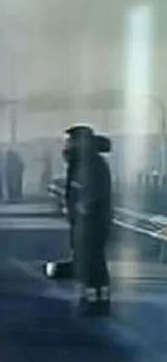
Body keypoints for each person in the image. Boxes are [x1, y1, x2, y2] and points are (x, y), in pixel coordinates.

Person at [63, 125, 112, 317]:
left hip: (92, 223)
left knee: (93, 263)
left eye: (71, 141)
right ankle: (91, 300)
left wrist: (82, 209)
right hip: (84, 222)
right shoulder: (81, 163)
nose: (67, 146)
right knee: (87, 262)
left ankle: (97, 303)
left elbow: (91, 193)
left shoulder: (91, 164)